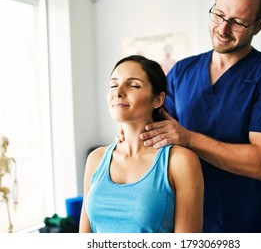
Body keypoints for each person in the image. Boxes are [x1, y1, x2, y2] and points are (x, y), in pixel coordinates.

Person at [135, 0, 261, 232]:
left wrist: (188, 138)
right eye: (219, 15)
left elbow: (260, 163)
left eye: (238, 22)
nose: (222, 29)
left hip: (243, 229)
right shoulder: (181, 72)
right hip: (183, 227)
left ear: (258, 25)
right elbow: (158, 142)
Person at [79, 55, 204, 233]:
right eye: (114, 85)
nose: (118, 92)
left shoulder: (180, 161)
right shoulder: (96, 159)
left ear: (158, 100)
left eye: (133, 85)